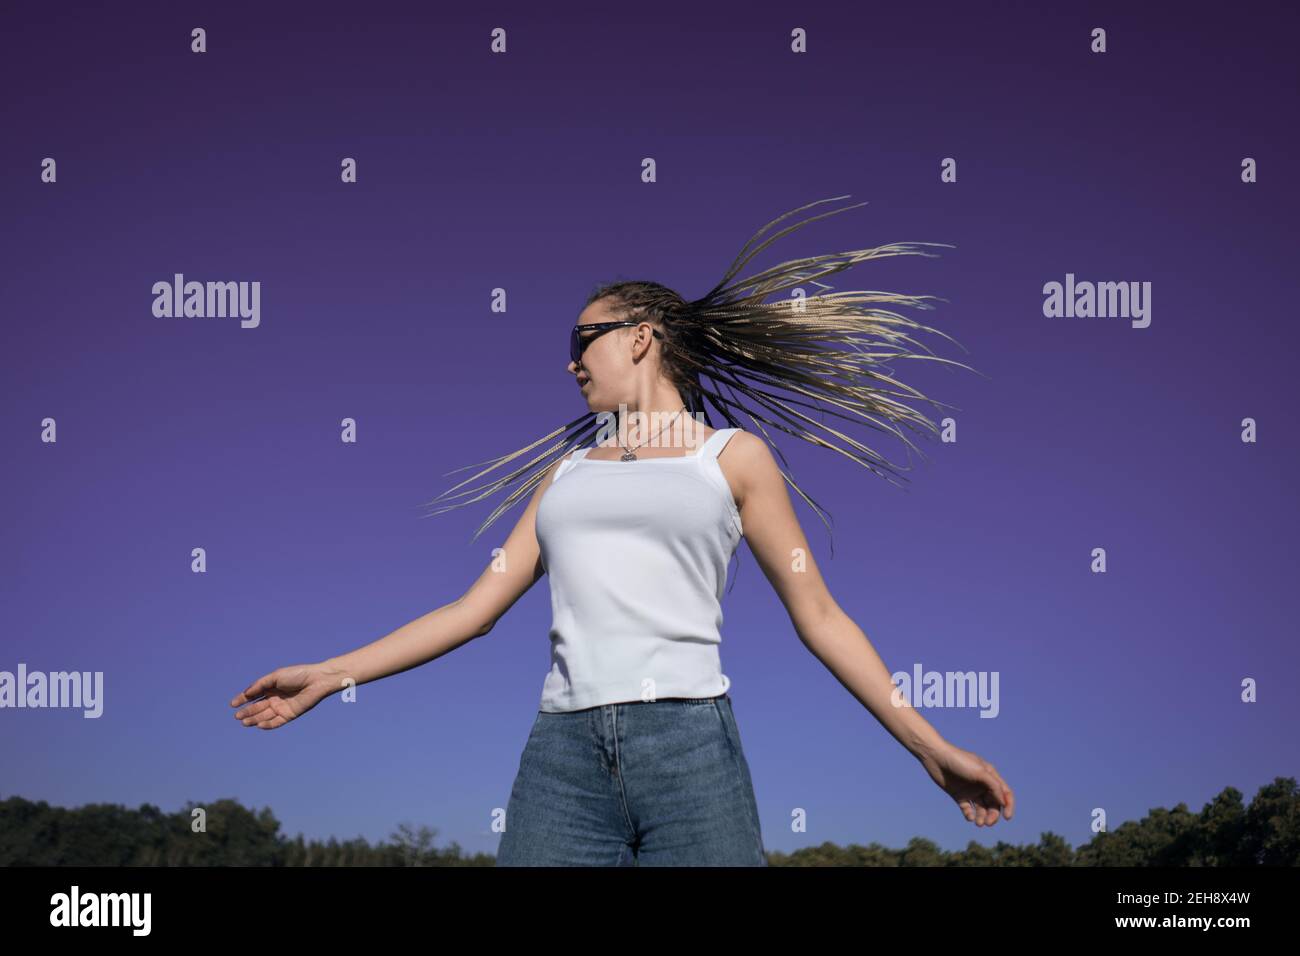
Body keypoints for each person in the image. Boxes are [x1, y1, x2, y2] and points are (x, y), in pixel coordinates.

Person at [229, 196, 1015, 866]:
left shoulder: (734, 458)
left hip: (689, 747)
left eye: (583, 340)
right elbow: (471, 612)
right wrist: (334, 674)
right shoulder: (565, 474)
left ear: (640, 335)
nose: (571, 362)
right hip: (560, 759)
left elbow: (821, 618)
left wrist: (928, 746)